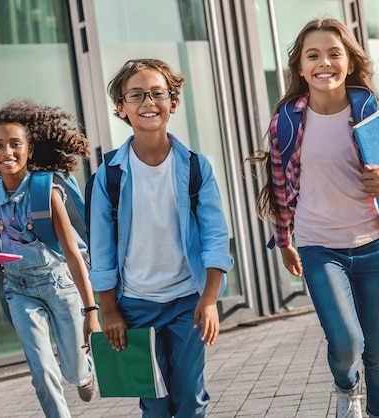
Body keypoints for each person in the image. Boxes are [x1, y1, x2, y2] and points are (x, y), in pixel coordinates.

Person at [250, 18, 379, 418]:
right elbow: (280, 192)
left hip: (373, 245)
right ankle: (347, 389)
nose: (324, 62)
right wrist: (284, 242)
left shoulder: (371, 114)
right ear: (300, 68)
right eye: (313, 55)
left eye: (334, 53)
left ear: (349, 62)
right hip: (318, 246)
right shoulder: (286, 123)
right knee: (347, 341)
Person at [88, 58, 234, 418]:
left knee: (189, 396)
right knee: (153, 404)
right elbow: (101, 249)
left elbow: (217, 237)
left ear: (173, 102)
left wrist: (211, 298)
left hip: (188, 302)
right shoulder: (108, 174)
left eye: (158, 93)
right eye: (136, 95)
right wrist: (108, 309)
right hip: (135, 306)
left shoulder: (197, 167)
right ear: (121, 108)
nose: (148, 102)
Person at [0, 99, 101, 418]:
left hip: (61, 286)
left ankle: (84, 374)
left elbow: (73, 255)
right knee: (42, 370)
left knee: (73, 372)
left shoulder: (45, 192)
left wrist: (91, 310)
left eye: (15, 144)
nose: (7, 151)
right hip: (19, 290)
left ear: (30, 150)